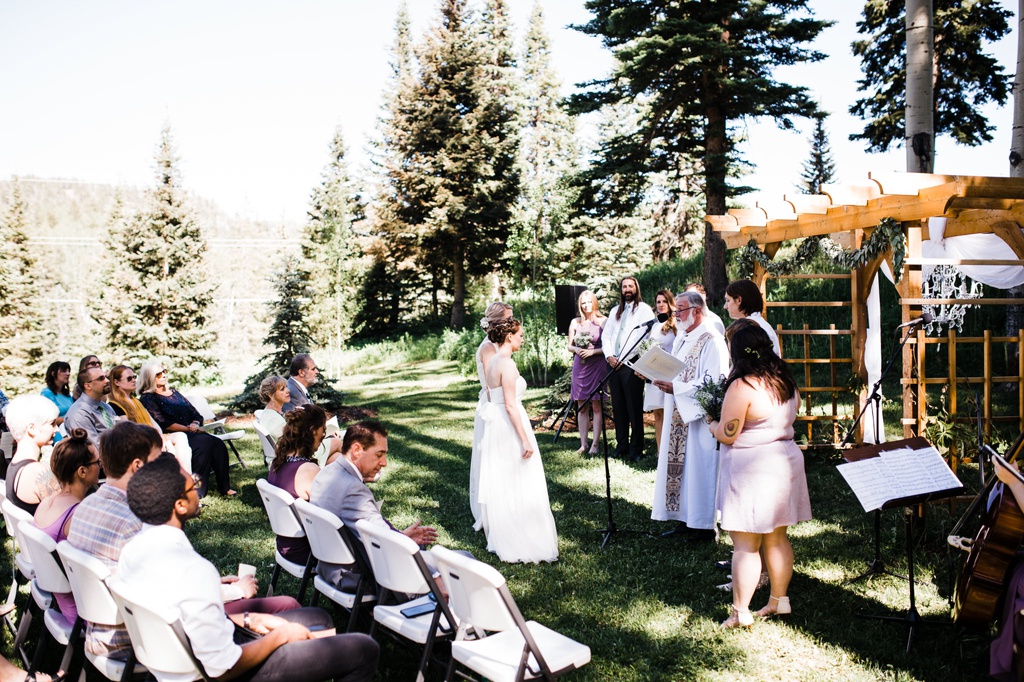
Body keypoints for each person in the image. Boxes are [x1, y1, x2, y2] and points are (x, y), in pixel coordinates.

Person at [119, 455, 379, 682]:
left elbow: (182, 619)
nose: (197, 490)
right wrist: (280, 636)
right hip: (216, 673)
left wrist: (249, 619)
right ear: (180, 505)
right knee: (363, 648)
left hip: (186, 658)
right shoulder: (192, 569)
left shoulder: (133, 551)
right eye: (194, 485)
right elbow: (223, 667)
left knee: (317, 619)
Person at [710, 321, 811, 629]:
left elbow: (728, 434)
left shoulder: (743, 386)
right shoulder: (784, 379)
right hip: (784, 462)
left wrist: (710, 423)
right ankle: (779, 600)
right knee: (778, 538)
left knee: (746, 545)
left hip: (753, 468)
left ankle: (740, 611)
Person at [67, 421, 165, 660]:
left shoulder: (83, 507)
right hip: (134, 639)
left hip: (99, 631)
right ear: (138, 466)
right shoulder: (136, 520)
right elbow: (163, 596)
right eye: (159, 460)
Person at [310, 421, 440, 592]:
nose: (384, 462)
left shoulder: (326, 472)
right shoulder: (354, 490)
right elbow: (387, 545)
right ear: (357, 450)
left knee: (418, 546)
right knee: (460, 562)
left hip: (329, 567)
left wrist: (401, 536)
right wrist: (436, 576)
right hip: (359, 576)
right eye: (379, 455)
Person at [478, 318, 558, 564]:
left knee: (504, 481)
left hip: (497, 428)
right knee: (521, 480)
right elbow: (511, 406)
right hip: (511, 426)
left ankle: (505, 533)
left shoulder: (492, 362)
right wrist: (525, 440)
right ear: (509, 336)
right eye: (520, 334)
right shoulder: (507, 365)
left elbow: (493, 398)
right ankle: (522, 537)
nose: (523, 338)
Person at [651, 291, 729, 543]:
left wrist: (677, 388)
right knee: (681, 471)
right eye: (676, 311)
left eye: (681, 310)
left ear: (697, 310)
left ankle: (703, 526)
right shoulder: (683, 336)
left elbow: (715, 381)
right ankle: (685, 519)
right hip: (677, 413)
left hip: (697, 419)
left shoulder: (712, 339)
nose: (676, 315)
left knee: (698, 469)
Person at [137, 361, 235, 497]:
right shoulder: (148, 398)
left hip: (191, 431)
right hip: (173, 435)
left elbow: (195, 413)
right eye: (158, 374)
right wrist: (188, 429)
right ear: (149, 378)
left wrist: (195, 423)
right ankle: (197, 490)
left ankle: (224, 487)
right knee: (204, 444)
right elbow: (162, 422)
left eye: (164, 371)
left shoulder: (175, 393)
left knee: (217, 443)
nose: (163, 375)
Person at [33, 428, 100, 623]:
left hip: (62, 601)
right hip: (82, 612)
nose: (101, 464)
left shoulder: (48, 501)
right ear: (82, 471)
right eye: (97, 461)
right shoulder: (76, 516)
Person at [267, 405, 328, 568]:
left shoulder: (277, 462)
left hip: (286, 547)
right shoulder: (308, 470)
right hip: (310, 552)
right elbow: (331, 514)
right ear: (313, 430)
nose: (324, 434)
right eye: (323, 429)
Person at [602, 276, 656, 461]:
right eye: (624, 286)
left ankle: (636, 449)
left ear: (636, 288)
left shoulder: (644, 310)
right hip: (613, 365)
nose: (627, 289)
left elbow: (643, 339)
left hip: (631, 365)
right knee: (618, 408)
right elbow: (606, 336)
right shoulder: (614, 311)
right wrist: (610, 356)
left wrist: (623, 359)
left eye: (630, 286)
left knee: (634, 409)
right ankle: (621, 445)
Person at [471, 301, 513, 529]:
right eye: (508, 319)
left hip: (503, 404)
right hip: (493, 407)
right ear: (497, 322)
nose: (512, 323)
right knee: (494, 460)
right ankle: (494, 511)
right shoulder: (488, 347)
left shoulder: (500, 343)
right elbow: (491, 384)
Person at [108, 364, 192, 472]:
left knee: (180, 437)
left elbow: (153, 423)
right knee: (175, 448)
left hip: (153, 437)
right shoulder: (115, 405)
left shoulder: (136, 400)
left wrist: (161, 439)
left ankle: (187, 478)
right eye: (129, 378)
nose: (133, 380)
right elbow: (129, 432)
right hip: (140, 443)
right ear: (116, 382)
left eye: (134, 377)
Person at [257, 376, 342, 467]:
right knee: (337, 442)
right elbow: (292, 441)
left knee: (337, 457)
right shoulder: (272, 418)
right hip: (294, 457)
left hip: (292, 453)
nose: (288, 390)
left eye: (286, 387)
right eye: (282, 389)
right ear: (271, 395)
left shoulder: (272, 413)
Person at [4, 395, 60, 514]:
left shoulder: (14, 464)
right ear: (32, 429)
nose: (57, 429)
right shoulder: (39, 473)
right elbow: (66, 515)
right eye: (52, 424)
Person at [567, 291, 606, 456]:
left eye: (589, 302)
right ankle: (583, 443)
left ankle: (595, 445)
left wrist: (593, 352)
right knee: (581, 406)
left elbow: (609, 347)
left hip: (597, 364)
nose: (586, 305)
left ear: (594, 303)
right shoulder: (575, 322)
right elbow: (569, 345)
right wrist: (577, 349)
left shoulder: (604, 322)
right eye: (583, 303)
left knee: (597, 405)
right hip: (580, 365)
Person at [639, 290, 677, 454]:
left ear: (670, 303)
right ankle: (660, 451)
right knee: (658, 414)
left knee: (669, 412)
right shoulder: (653, 325)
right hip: (654, 374)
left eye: (664, 301)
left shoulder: (676, 324)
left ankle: (671, 450)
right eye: (658, 302)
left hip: (669, 373)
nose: (661, 305)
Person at [64, 366, 119, 448]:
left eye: (106, 377)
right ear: (88, 386)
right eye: (101, 378)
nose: (107, 381)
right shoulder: (79, 413)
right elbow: (94, 448)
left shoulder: (106, 407)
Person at [724, 279, 781, 356]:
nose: (725, 306)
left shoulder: (755, 328)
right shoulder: (757, 325)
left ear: (739, 300)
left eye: (728, 300)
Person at [41, 361, 73, 425]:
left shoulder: (67, 394)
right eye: (64, 371)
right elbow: (48, 419)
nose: (68, 374)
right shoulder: (46, 394)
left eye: (68, 371)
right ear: (53, 373)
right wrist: (70, 420)